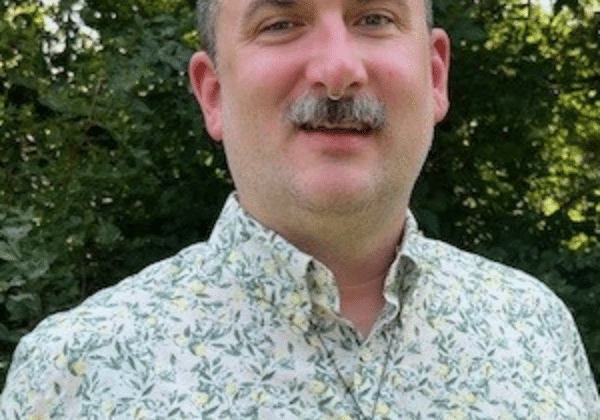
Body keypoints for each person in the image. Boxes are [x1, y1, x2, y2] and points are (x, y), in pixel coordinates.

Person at [2, 0, 599, 417]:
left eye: (374, 18)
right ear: (213, 93)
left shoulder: (534, 328)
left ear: (435, 74)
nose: (338, 69)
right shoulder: (73, 373)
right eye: (281, 23)